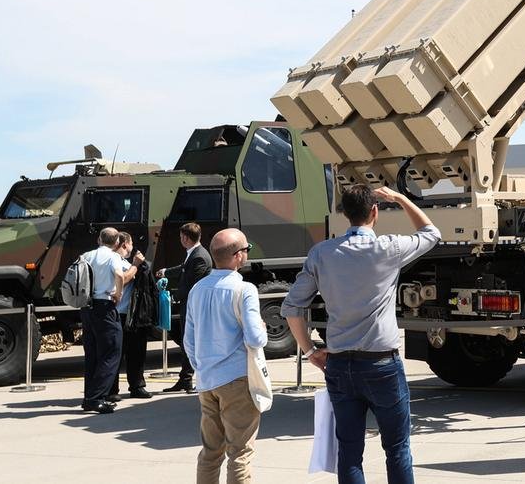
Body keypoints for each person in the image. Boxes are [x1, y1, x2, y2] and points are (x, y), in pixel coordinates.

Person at [282, 185, 441, 484]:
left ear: (345, 214)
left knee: (349, 451)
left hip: (339, 365)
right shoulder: (389, 248)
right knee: (397, 449)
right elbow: (431, 234)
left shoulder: (321, 253)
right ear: (374, 212)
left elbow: (292, 308)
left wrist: (310, 351)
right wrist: (401, 198)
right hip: (382, 365)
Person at [185, 228, 267, 484]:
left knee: (210, 453)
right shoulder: (244, 289)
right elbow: (255, 339)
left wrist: (202, 367)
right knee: (240, 452)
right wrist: (263, 329)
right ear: (238, 256)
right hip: (237, 379)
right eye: (246, 249)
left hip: (207, 380)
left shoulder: (197, 289)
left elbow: (189, 340)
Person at [81, 226, 141, 414]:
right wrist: (118, 293)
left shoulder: (86, 255)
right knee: (111, 352)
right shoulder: (113, 257)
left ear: (99, 239)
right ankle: (96, 398)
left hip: (87, 307)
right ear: (116, 242)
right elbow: (120, 275)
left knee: (92, 355)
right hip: (105, 307)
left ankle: (89, 396)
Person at [158, 222, 213, 393]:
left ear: (186, 238)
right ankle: (185, 379)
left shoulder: (199, 256)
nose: (180, 239)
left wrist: (173, 297)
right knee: (187, 342)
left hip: (194, 308)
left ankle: (197, 380)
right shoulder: (194, 254)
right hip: (189, 306)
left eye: (182, 237)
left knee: (194, 344)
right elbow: (184, 269)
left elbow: (191, 284)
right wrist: (166, 272)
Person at [110, 232, 152, 400]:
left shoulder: (124, 262)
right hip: (118, 314)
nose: (132, 248)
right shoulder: (115, 261)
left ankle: (137, 385)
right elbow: (122, 280)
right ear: (125, 244)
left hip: (131, 314)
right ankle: (112, 390)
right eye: (131, 244)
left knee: (136, 352)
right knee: (116, 353)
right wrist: (136, 264)